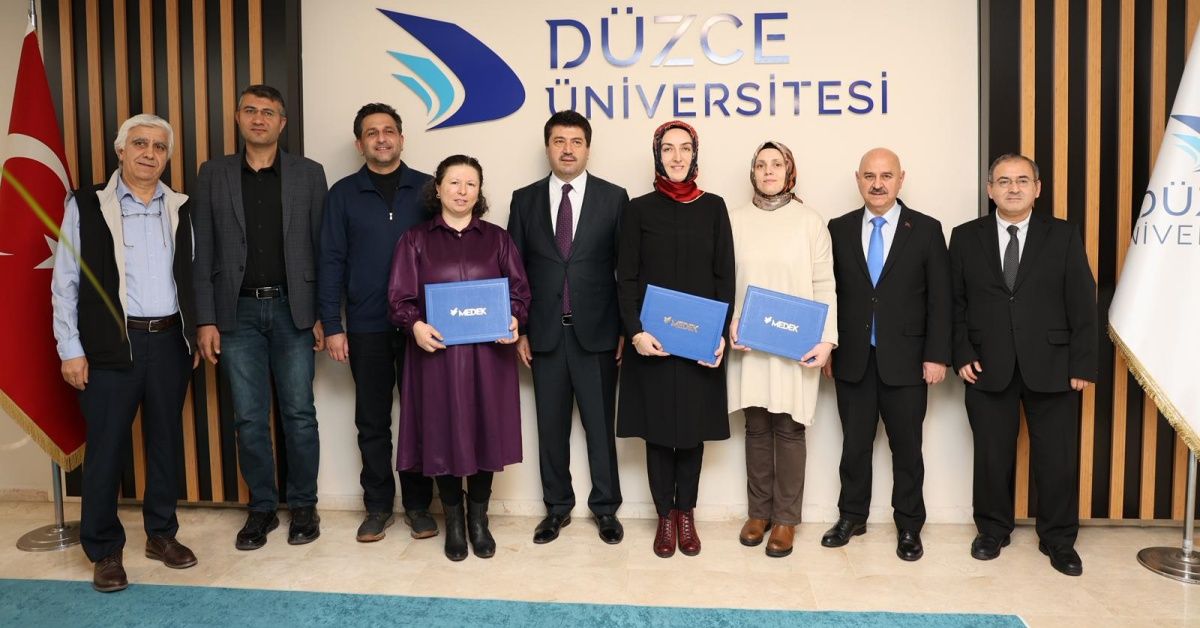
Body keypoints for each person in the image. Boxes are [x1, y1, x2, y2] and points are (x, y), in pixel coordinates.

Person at [51, 114, 199, 592]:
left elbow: (192, 275)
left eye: (159, 146)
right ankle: (104, 549)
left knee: (165, 443)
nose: (149, 153)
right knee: (107, 448)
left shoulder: (180, 206)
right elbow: (64, 282)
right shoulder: (87, 204)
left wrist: (193, 334)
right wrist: (70, 349)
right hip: (110, 346)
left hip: (169, 342)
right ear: (120, 151)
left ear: (167, 156)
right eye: (139, 143)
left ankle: (162, 534)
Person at [192, 84, 329, 550]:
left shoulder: (309, 174)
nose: (258, 119)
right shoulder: (213, 174)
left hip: (294, 310)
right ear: (237, 117)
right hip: (237, 314)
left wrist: (321, 315)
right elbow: (201, 250)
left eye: (268, 112)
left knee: (299, 414)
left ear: (282, 123)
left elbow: (322, 248)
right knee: (249, 417)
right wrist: (205, 319)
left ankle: (304, 505)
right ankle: (262, 508)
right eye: (250, 110)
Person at [950, 153, 1097, 576]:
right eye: (1003, 181)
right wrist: (961, 353)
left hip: (1054, 365)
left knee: (1057, 459)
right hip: (985, 366)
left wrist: (1082, 364)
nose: (1012, 188)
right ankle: (992, 530)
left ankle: (1059, 539)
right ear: (989, 189)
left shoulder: (1063, 235)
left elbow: (1082, 301)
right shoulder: (965, 237)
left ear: (1037, 188)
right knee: (991, 456)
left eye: (1021, 180)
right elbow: (954, 303)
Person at [387, 155, 531, 561]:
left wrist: (514, 318)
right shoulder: (415, 240)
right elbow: (399, 299)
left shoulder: (498, 239)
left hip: (489, 357)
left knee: (485, 431)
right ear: (438, 188)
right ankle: (453, 521)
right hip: (437, 358)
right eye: (454, 182)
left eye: (471, 184)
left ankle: (478, 521)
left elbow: (520, 292)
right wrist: (415, 326)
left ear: (479, 191)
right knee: (442, 434)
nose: (462, 191)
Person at [822, 147, 951, 562]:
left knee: (907, 449)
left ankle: (909, 526)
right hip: (853, 358)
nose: (877, 184)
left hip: (909, 361)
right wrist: (828, 346)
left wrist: (937, 355)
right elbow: (828, 292)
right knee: (854, 446)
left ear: (901, 179)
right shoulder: (838, 228)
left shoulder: (926, 229)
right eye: (870, 176)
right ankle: (851, 517)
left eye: (886, 176)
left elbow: (941, 299)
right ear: (858, 179)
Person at [507, 110, 629, 545]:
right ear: (548, 147)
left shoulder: (614, 198)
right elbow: (514, 271)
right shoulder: (524, 200)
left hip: (598, 333)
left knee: (600, 426)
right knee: (551, 428)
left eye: (576, 141)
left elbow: (625, 270)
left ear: (588, 148)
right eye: (559, 141)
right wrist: (520, 328)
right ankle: (556, 509)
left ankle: (606, 509)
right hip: (544, 334)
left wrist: (625, 328)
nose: (567, 149)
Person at [317, 103, 436, 542]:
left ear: (402, 139)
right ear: (359, 143)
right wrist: (332, 324)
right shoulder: (342, 194)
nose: (381, 139)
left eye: (389, 131)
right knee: (372, 421)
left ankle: (420, 507)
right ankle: (378, 506)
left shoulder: (428, 189)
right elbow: (330, 260)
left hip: (422, 327)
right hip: (366, 325)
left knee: (421, 418)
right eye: (372, 132)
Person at [616, 120, 735, 558]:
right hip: (652, 344)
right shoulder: (638, 210)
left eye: (685, 148)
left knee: (691, 433)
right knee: (658, 432)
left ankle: (687, 513)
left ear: (695, 154)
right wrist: (635, 332)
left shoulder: (714, 207)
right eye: (668, 148)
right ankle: (664, 517)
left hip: (699, 343)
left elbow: (725, 277)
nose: (677, 156)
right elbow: (626, 279)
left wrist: (720, 335)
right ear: (658, 155)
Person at [726, 141, 837, 558]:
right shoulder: (734, 220)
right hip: (750, 342)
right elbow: (723, 279)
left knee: (789, 429)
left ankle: (786, 519)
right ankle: (759, 513)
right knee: (756, 426)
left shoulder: (810, 222)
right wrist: (730, 321)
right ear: (752, 172)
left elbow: (825, 284)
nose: (768, 171)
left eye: (776, 164)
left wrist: (827, 340)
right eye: (761, 164)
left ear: (790, 171)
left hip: (797, 343)